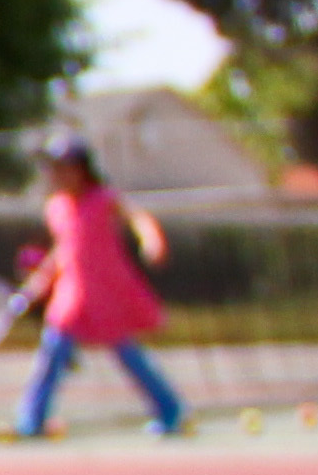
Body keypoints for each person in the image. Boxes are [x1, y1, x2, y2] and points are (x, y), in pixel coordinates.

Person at [13, 128, 187, 437]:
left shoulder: (103, 199)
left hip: (107, 292)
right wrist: (39, 283)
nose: (59, 175)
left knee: (128, 356)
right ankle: (32, 422)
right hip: (72, 295)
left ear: (83, 169)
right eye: (54, 168)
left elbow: (137, 217)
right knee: (52, 355)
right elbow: (64, 251)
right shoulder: (56, 207)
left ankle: (170, 411)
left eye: (66, 167)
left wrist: (151, 239)